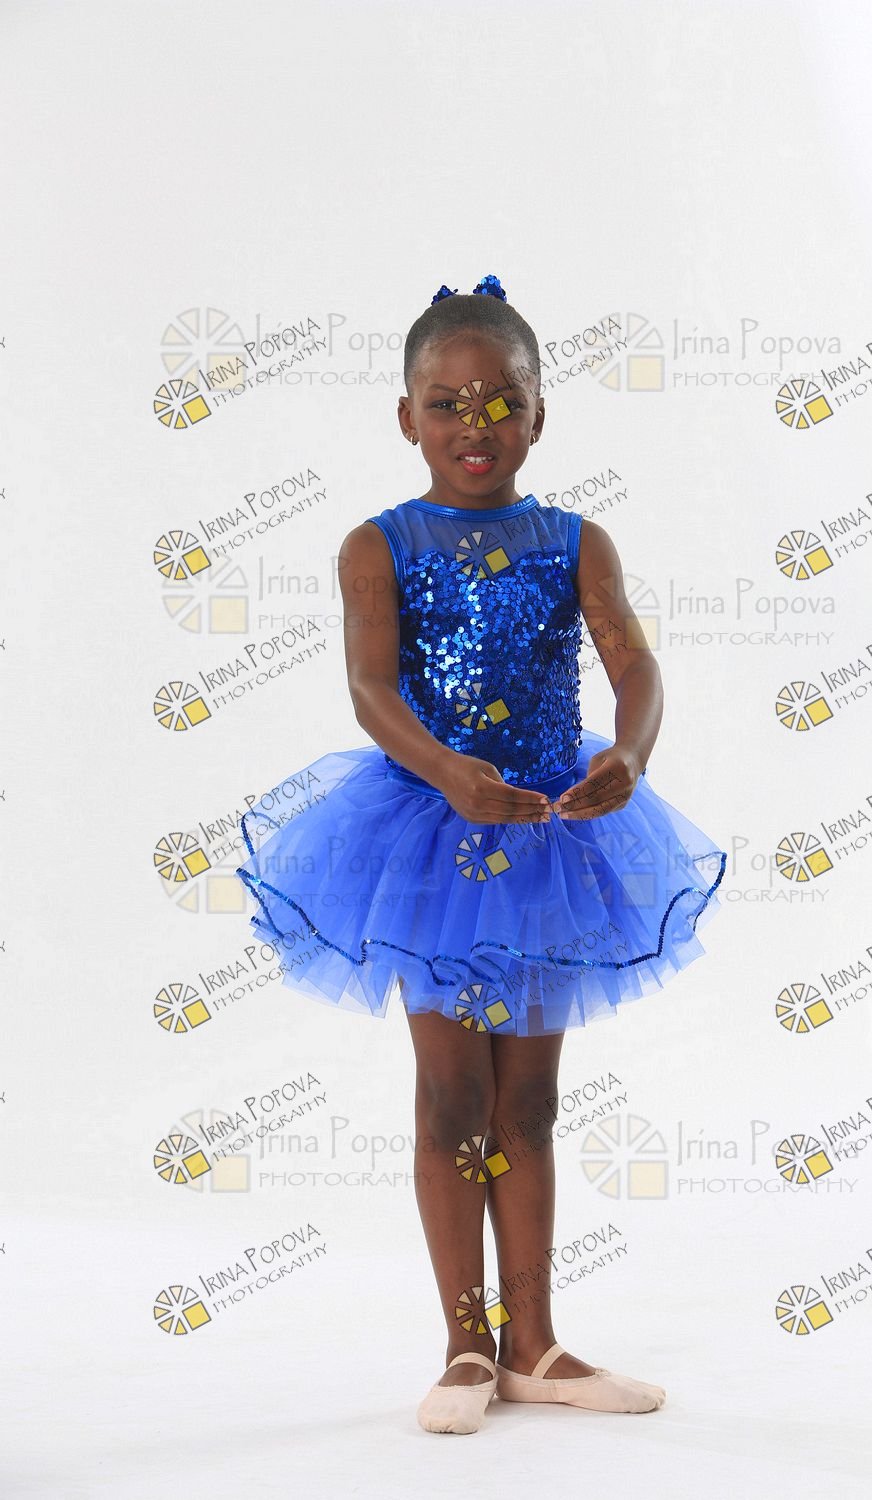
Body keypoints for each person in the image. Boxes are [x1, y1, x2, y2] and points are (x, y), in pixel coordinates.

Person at [235, 273, 727, 1434]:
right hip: (431, 845)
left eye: (501, 402)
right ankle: (465, 1344)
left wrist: (630, 756)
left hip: (551, 835)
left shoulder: (575, 541)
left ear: (539, 414)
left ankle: (535, 1345)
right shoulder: (379, 544)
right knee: (453, 1093)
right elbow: (371, 688)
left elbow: (633, 665)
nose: (475, 425)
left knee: (531, 1101)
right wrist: (450, 772)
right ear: (406, 417)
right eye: (447, 404)